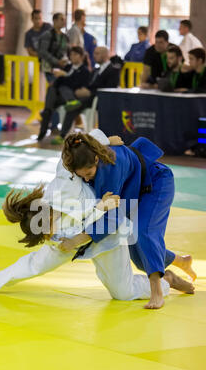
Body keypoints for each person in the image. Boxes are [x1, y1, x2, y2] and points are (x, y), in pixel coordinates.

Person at [0, 131, 194, 304]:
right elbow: (33, 265)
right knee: (130, 270)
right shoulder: (58, 241)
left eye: (49, 228)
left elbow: (82, 141)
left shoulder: (65, 181)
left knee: (126, 284)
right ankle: (170, 275)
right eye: (48, 235)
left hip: (110, 232)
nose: (53, 234)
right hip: (94, 232)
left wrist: (106, 141)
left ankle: (162, 282)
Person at [61, 132, 197, 309]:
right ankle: (178, 265)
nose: (86, 179)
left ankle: (157, 291)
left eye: (88, 173)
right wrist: (107, 141)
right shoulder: (83, 155)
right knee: (139, 258)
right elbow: (83, 138)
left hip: (156, 184)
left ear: (96, 160)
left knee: (142, 232)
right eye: (82, 176)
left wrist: (77, 239)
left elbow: (112, 218)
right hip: (132, 190)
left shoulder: (109, 166)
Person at [51, 46, 121, 143]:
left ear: (105, 55)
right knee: (69, 103)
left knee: (74, 106)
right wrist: (82, 90)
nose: (94, 55)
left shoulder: (113, 70)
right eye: (94, 53)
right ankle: (64, 133)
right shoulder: (95, 70)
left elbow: (109, 89)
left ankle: (63, 135)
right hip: (87, 97)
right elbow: (89, 84)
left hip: (98, 99)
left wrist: (90, 92)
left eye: (97, 53)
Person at [37, 46, 90, 142]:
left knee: (63, 88)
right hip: (61, 96)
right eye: (71, 54)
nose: (72, 56)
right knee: (52, 89)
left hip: (73, 95)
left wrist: (65, 75)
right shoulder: (67, 67)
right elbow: (59, 82)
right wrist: (60, 77)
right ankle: (42, 130)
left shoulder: (85, 71)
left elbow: (76, 86)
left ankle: (69, 102)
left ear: (81, 56)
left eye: (75, 54)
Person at [37, 12, 69, 84]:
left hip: (61, 66)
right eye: (61, 19)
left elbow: (66, 51)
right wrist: (56, 61)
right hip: (49, 67)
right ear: (54, 20)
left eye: (65, 20)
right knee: (54, 86)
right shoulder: (47, 35)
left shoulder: (65, 37)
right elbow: (43, 51)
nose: (64, 22)